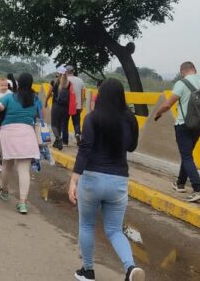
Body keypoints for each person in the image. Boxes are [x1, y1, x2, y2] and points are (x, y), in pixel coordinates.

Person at [67, 78, 144, 281]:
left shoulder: (92, 118)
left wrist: (74, 180)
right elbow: (132, 147)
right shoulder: (130, 119)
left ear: (100, 96)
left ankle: (88, 271)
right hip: (118, 181)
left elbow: (85, 149)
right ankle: (130, 269)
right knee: (114, 230)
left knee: (86, 225)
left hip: (92, 178)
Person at [154, 61, 200, 203]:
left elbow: (168, 104)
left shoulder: (182, 84)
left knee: (186, 155)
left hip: (184, 125)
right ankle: (180, 183)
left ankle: (198, 189)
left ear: (182, 72)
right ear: (195, 70)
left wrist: (158, 113)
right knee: (187, 154)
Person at [0, 73, 41, 215]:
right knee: (24, 169)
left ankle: (5, 191)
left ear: (17, 83)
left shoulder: (9, 97)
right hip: (27, 133)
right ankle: (23, 203)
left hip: (8, 134)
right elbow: (39, 115)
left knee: (7, 164)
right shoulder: (35, 99)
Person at [46, 67, 71, 150]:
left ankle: (58, 138)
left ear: (58, 73)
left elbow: (49, 93)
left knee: (54, 125)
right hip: (65, 107)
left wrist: (46, 101)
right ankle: (57, 143)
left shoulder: (54, 82)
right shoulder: (69, 83)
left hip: (56, 106)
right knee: (61, 124)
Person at [66, 66, 86, 145]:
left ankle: (65, 140)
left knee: (65, 122)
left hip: (66, 106)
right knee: (77, 122)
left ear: (66, 71)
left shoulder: (65, 80)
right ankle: (77, 133)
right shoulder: (80, 80)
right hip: (77, 105)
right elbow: (83, 95)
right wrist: (81, 105)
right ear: (73, 71)